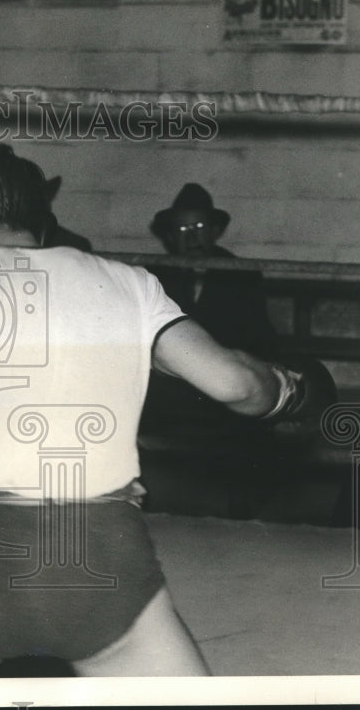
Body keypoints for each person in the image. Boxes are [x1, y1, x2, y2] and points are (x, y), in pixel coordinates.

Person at [0, 145, 333, 678]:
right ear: (42, 218)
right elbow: (235, 384)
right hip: (107, 559)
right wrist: (296, 388)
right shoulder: (131, 282)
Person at [140, 183, 280, 518]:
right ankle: (140, 504)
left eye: (201, 228)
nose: (193, 238)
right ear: (171, 237)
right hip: (171, 385)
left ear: (216, 232)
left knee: (247, 400)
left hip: (220, 387)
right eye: (184, 230)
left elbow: (258, 336)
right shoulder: (157, 275)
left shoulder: (240, 273)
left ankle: (241, 510)